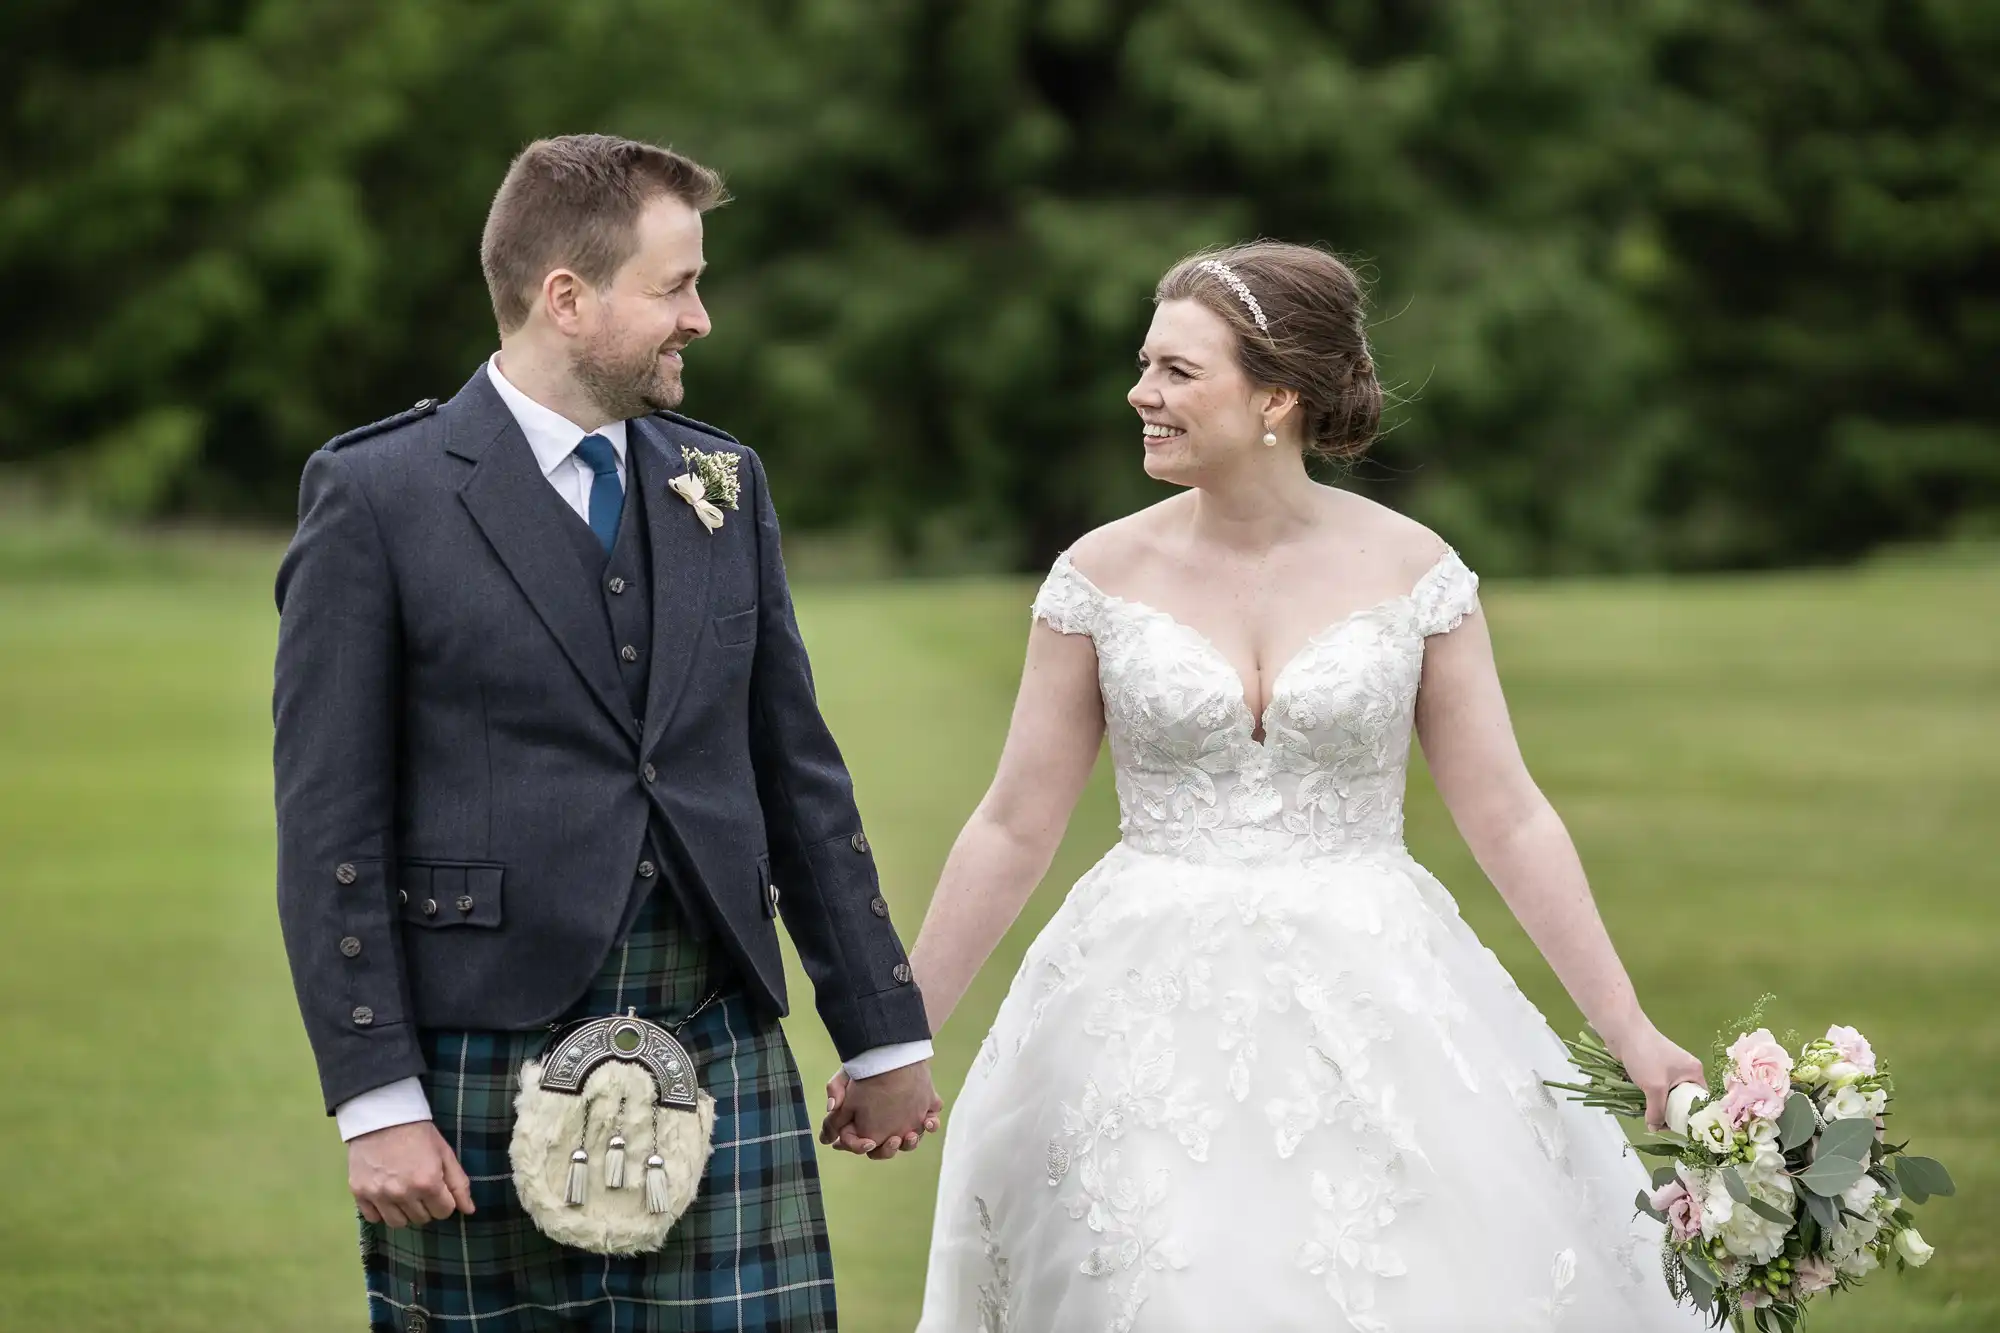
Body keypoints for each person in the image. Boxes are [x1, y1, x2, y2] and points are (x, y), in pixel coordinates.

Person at [828, 241, 1708, 1329]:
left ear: (1276, 397)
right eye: (1144, 363)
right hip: (1133, 1008)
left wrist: (1628, 1031)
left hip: (1377, 991)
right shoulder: (1095, 578)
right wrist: (898, 1040)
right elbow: (1011, 825)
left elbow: (1509, 815)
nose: (1138, 393)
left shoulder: (1414, 571)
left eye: (1176, 371)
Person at [273, 133, 938, 1333]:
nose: (703, 318)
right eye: (676, 285)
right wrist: (375, 1094)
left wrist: (880, 1026)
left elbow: (798, 778)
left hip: (713, 1026)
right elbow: (331, 817)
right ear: (565, 297)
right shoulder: (381, 493)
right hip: (479, 1046)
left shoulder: (718, 482)